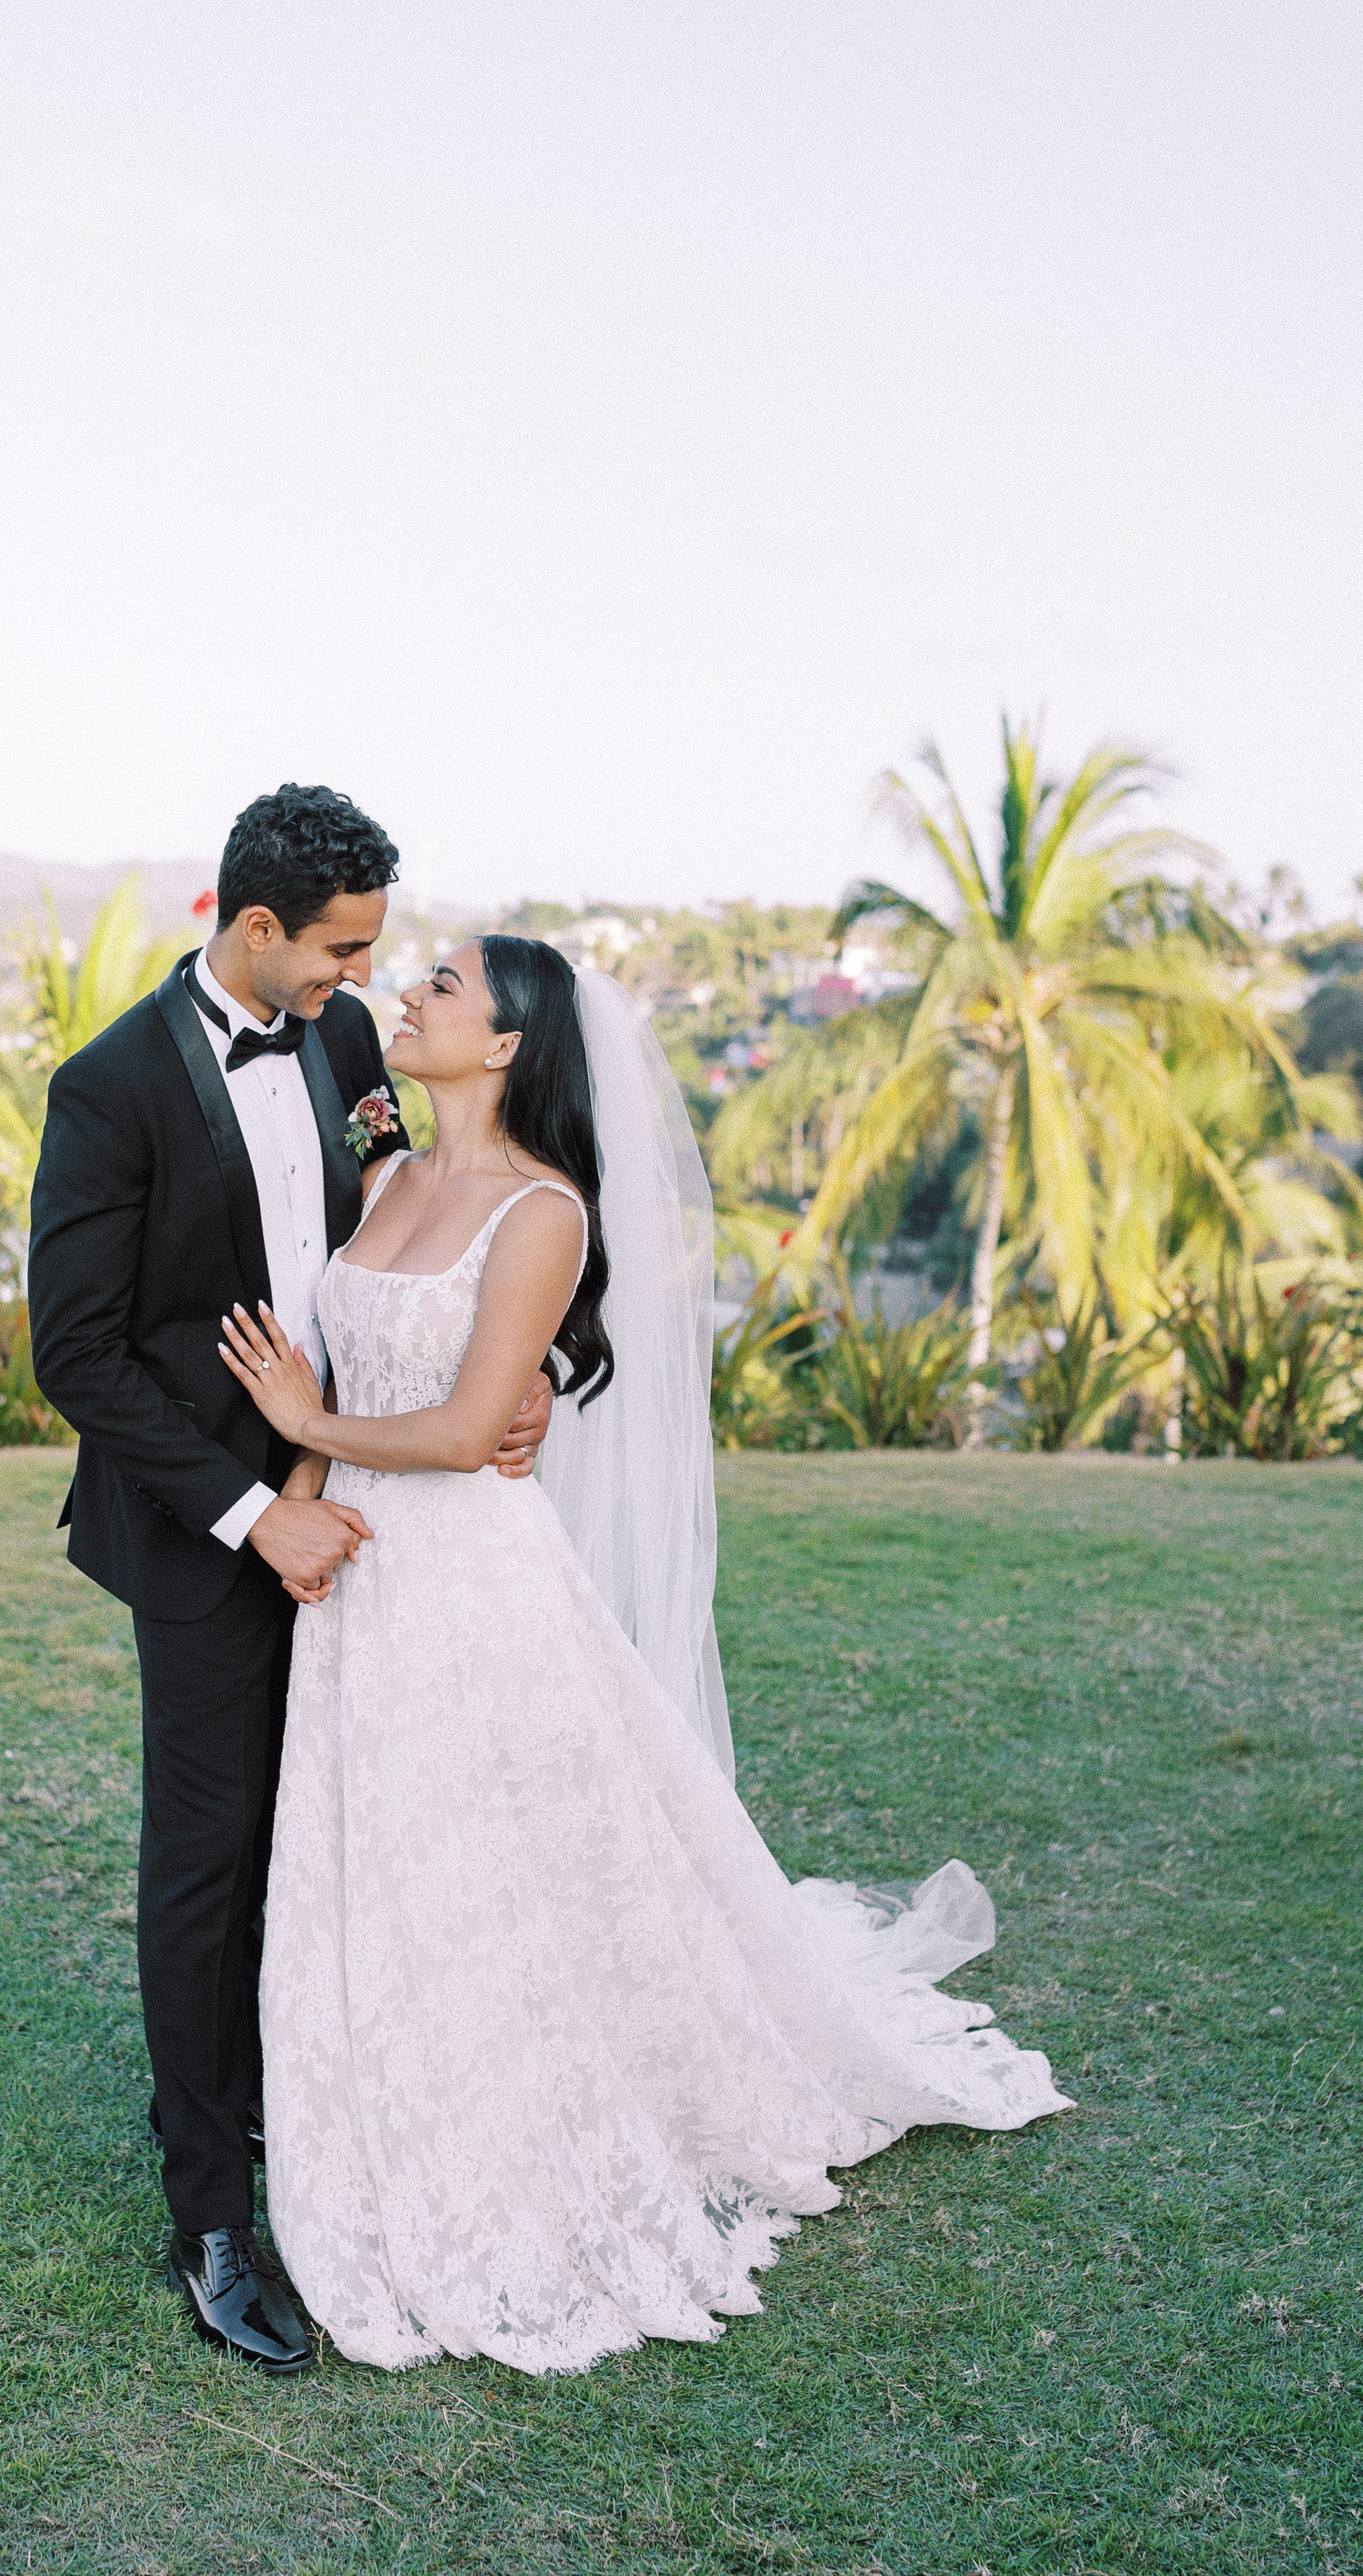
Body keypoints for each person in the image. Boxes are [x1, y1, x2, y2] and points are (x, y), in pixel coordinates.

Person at [217, 934, 1070, 2376]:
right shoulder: (389, 1174)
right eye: (412, 972)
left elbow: (452, 1425)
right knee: (385, 1859)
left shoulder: (542, 1213)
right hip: (354, 1575)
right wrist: (298, 1507)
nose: (412, 993)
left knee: (495, 1861)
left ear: (504, 1047)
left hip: (466, 1574)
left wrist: (304, 1430)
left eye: (443, 987)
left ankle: (535, 2108)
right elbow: (372, 1331)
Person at [27, 790, 553, 2376]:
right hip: (205, 1533)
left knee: (327, 1831)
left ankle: (287, 2103)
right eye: (339, 952)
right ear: (251, 926)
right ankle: (209, 2216)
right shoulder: (108, 1084)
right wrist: (257, 1510)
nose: (361, 982)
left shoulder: (339, 1055)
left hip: (373, 1508)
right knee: (208, 1856)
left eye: (375, 954)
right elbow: (76, 1355)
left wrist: (517, 1385)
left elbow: (426, 1225)